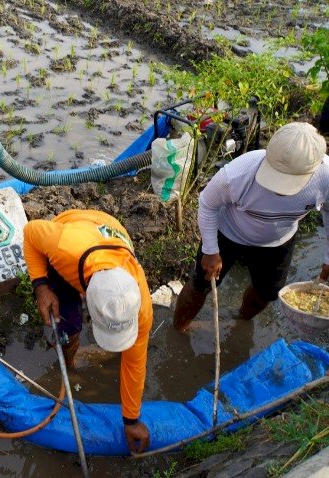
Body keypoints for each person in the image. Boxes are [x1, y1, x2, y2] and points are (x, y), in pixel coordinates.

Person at [174, 122, 329, 331]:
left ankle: (240, 324)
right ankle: (178, 329)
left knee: (267, 293)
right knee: (200, 285)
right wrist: (210, 250)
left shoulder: (325, 177)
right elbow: (207, 204)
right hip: (229, 233)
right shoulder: (238, 174)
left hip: (278, 241)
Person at [23, 209, 152, 454]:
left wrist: (131, 421)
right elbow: (30, 233)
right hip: (76, 234)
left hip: (110, 230)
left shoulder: (140, 305)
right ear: (88, 302)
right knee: (66, 324)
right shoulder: (62, 247)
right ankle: (69, 361)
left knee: (131, 349)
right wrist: (40, 286)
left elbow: (135, 363)